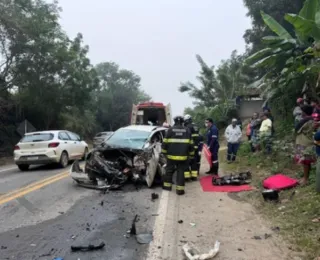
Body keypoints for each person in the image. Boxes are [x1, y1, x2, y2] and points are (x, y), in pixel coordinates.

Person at [161, 115, 194, 195]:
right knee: (180, 172)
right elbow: (191, 144)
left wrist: (164, 152)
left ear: (174, 121)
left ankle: (167, 187)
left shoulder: (170, 130)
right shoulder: (187, 130)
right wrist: (191, 154)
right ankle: (180, 190)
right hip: (183, 157)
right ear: (183, 121)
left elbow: (165, 142)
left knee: (169, 171)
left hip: (171, 156)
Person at [294, 105, 316, 185]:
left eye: (302, 111)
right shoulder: (312, 119)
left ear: (304, 112)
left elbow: (296, 129)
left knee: (305, 162)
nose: (301, 112)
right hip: (309, 141)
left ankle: (305, 179)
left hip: (304, 142)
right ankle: (306, 177)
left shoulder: (304, 120)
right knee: (307, 161)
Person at [184, 114, 200, 181]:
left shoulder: (187, 127)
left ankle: (187, 177)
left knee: (187, 162)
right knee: (194, 162)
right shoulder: (195, 126)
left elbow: (187, 138)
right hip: (196, 147)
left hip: (190, 147)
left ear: (187, 120)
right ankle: (194, 176)